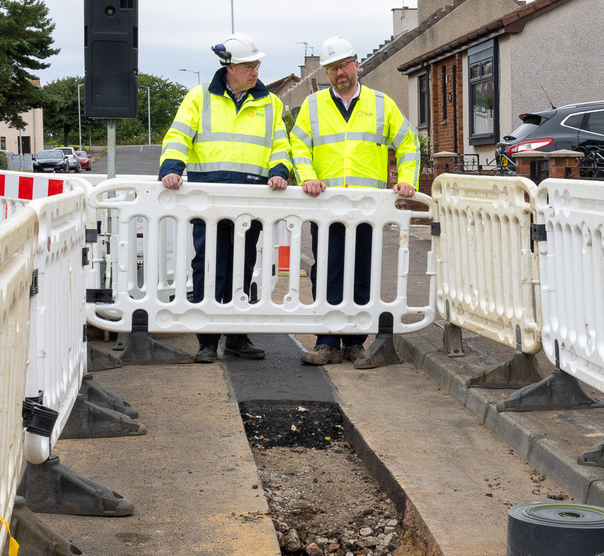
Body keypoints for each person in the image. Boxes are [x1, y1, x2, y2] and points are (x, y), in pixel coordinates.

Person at [159, 32, 292, 363]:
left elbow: (281, 144)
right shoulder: (200, 97)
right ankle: (207, 340)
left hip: (251, 197)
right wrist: (171, 168)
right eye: (248, 65)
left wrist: (280, 170)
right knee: (208, 265)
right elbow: (178, 134)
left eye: (257, 64)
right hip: (209, 197)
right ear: (229, 67)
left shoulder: (270, 103)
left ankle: (236, 337)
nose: (255, 71)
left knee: (243, 266)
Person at [289, 36, 420, 367]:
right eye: (332, 68)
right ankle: (328, 341)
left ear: (356, 64)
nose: (339, 73)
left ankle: (355, 342)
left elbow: (408, 144)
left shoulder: (381, 103)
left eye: (344, 65)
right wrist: (306, 176)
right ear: (327, 72)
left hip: (366, 206)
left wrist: (407, 180)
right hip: (327, 205)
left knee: (362, 271)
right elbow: (299, 146)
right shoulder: (314, 105)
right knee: (329, 271)